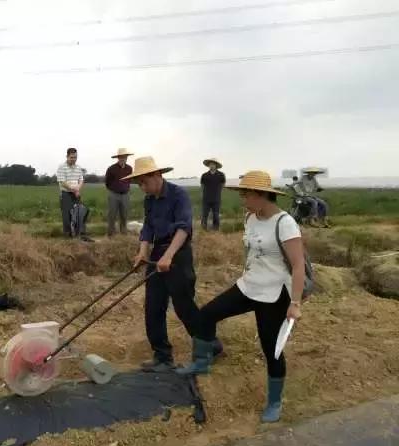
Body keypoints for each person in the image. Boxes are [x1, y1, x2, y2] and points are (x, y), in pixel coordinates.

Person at [177, 171, 306, 423]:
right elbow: (251, 252)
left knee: (272, 350)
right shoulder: (250, 217)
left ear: (261, 195)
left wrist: (295, 303)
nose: (242, 199)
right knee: (206, 314)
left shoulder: (285, 223)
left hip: (274, 294)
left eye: (245, 195)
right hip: (249, 286)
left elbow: (298, 265)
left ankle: (274, 401)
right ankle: (202, 361)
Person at [124, 156, 223, 373]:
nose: (142, 187)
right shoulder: (149, 200)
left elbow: (183, 227)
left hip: (178, 253)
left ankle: (210, 344)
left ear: (157, 176)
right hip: (158, 252)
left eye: (144, 182)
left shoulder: (179, 195)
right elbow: (148, 228)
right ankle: (162, 356)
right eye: (138, 183)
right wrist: (142, 253)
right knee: (153, 306)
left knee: (183, 306)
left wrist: (168, 256)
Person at [57, 148, 90, 240]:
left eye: (75, 157)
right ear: (67, 156)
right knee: (67, 216)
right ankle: (67, 236)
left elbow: (81, 180)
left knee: (79, 213)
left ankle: (79, 234)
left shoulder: (78, 168)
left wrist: (78, 189)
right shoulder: (62, 167)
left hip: (76, 193)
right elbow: (62, 182)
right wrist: (73, 189)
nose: (73, 159)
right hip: (66, 194)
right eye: (71, 157)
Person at [105, 148, 134, 236]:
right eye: (121, 157)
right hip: (114, 194)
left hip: (125, 195)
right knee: (112, 215)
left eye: (125, 157)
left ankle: (123, 234)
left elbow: (129, 180)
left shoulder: (129, 168)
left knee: (124, 215)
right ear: (118, 158)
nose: (123, 158)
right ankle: (110, 235)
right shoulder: (111, 169)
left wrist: (125, 188)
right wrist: (114, 189)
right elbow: (107, 182)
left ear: (127, 157)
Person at [200, 158, 226, 231]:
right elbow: (202, 185)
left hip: (216, 198)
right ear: (208, 165)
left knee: (216, 214)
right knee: (204, 214)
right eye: (210, 164)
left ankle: (215, 228)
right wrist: (204, 193)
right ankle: (203, 228)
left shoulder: (221, 175)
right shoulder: (204, 175)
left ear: (216, 165)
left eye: (213, 164)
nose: (211, 166)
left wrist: (218, 191)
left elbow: (223, 184)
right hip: (206, 198)